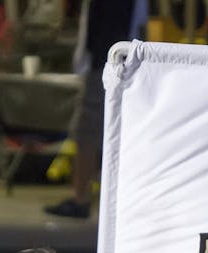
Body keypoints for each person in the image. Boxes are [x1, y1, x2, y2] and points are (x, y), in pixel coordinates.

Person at [45, 0, 147, 219]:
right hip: (117, 58)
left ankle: (80, 196)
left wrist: (95, 59)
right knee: (110, 132)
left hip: (108, 61)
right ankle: (93, 196)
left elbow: (106, 24)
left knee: (88, 131)